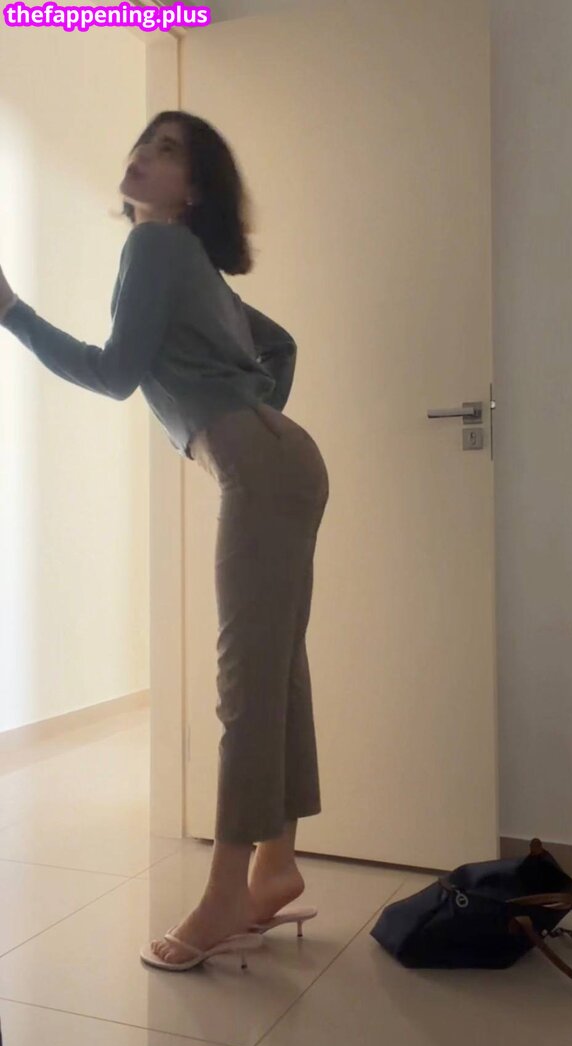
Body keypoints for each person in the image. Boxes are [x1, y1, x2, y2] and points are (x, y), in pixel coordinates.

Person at [0, 111, 329, 973]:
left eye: (168, 150)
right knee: (276, 669)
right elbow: (281, 346)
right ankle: (274, 864)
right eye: (143, 143)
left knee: (246, 679)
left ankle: (225, 893)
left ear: (196, 188)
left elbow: (114, 374)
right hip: (286, 461)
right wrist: (252, 415)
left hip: (261, 467)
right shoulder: (199, 268)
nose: (143, 155)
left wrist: (13, 312)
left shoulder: (154, 245)